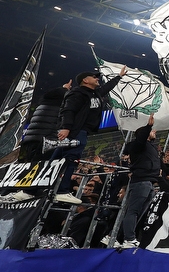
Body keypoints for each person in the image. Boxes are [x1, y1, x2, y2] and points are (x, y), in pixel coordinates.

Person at [52, 66, 126, 204]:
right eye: (94, 77)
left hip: (82, 131)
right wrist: (66, 127)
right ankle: (61, 191)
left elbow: (107, 88)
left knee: (58, 159)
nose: (97, 79)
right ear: (85, 80)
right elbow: (68, 110)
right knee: (70, 160)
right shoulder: (78, 93)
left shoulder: (95, 93)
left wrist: (119, 77)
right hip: (75, 131)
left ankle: (42, 188)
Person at [112, 113, 160, 249]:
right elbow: (140, 139)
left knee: (138, 212)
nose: (154, 131)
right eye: (152, 130)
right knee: (133, 211)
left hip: (149, 182)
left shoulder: (149, 147)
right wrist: (148, 126)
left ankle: (118, 237)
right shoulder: (138, 145)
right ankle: (129, 238)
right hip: (141, 181)